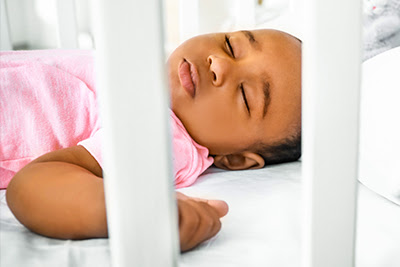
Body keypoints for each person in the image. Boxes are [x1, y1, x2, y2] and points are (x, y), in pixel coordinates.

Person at [2, 29, 301, 252]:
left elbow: (35, 184)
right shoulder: (138, 64)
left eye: (246, 96)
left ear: (236, 160)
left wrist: (138, 211)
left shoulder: (162, 135)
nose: (219, 64)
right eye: (231, 45)